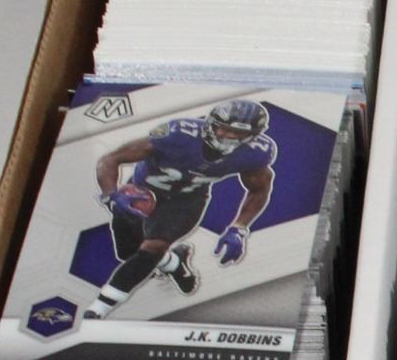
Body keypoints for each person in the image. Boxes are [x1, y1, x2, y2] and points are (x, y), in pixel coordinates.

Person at [84, 99, 276, 320]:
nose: (229, 136)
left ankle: (98, 309)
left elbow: (259, 189)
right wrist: (112, 195)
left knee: (152, 249)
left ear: (252, 136)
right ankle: (175, 263)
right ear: (211, 123)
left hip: (186, 201)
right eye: (225, 128)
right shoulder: (178, 134)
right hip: (141, 193)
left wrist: (239, 228)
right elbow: (111, 159)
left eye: (239, 133)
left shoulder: (255, 152)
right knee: (128, 253)